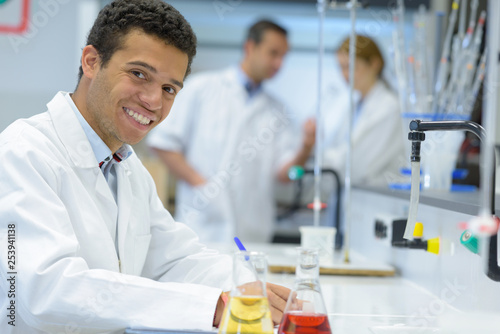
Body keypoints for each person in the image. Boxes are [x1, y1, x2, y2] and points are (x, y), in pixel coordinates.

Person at [0, 1, 289, 333]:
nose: (154, 101)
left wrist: (248, 287)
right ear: (91, 61)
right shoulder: (24, 153)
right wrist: (212, 307)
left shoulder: (127, 168)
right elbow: (45, 291)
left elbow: (174, 260)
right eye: (139, 74)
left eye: (169, 89)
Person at [147, 20, 315, 244]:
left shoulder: (279, 113)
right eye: (273, 53)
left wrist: (306, 147)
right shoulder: (202, 88)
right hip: (202, 226)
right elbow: (163, 144)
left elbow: (287, 175)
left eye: (283, 57)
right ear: (250, 47)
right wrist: (203, 186)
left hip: (252, 233)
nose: (278, 63)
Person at [322, 35, 404, 186]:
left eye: (350, 67)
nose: (344, 75)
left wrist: (321, 158)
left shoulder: (389, 107)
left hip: (374, 199)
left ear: (374, 64)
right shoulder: (355, 105)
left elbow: (356, 166)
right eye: (341, 68)